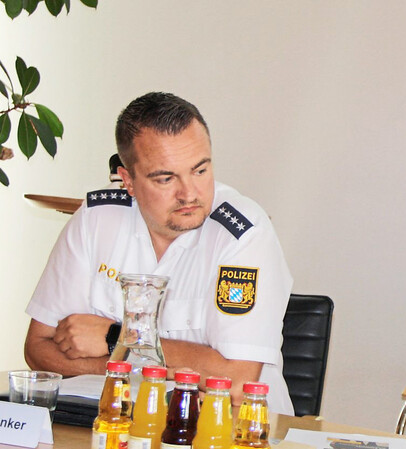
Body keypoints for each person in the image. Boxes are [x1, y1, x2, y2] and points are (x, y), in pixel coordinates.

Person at [23, 92, 295, 413]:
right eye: (166, 178)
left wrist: (117, 341)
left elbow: (234, 379)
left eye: (200, 170)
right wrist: (149, 367)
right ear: (128, 180)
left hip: (232, 431)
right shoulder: (95, 219)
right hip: (116, 423)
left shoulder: (244, 234)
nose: (189, 193)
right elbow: (38, 349)